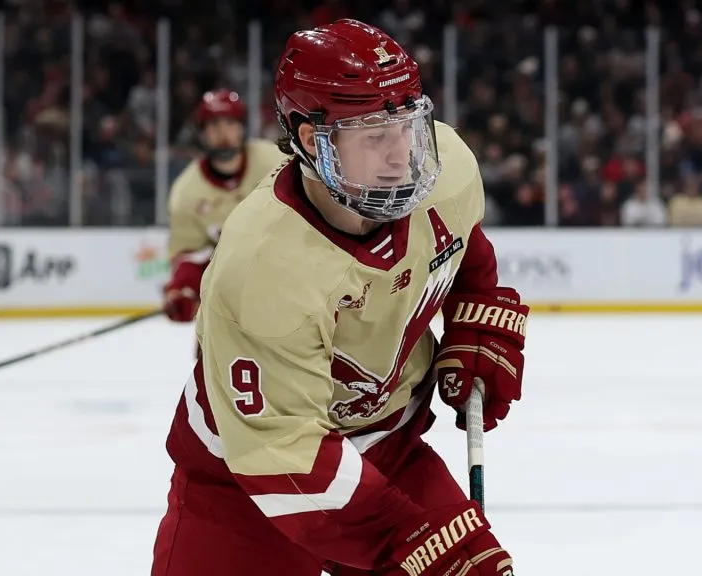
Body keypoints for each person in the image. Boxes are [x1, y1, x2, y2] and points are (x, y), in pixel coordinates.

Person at [151, 19, 528, 576]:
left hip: (387, 443)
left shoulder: (446, 168)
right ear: (311, 141)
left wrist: (476, 321)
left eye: (408, 127)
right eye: (375, 135)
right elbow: (285, 454)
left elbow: (461, 246)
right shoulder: (264, 268)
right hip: (247, 477)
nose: (403, 155)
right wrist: (411, 541)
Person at [163, 88, 286, 322]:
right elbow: (190, 254)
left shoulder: (277, 162)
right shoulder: (187, 192)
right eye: (213, 125)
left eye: (230, 123)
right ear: (202, 133)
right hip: (229, 305)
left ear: (242, 128)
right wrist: (184, 290)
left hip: (287, 289)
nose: (223, 133)